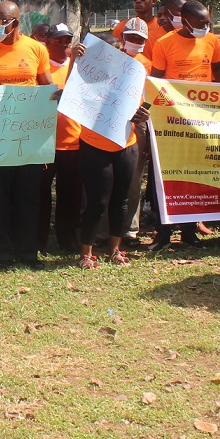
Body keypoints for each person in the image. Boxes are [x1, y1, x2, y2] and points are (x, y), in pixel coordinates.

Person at [0, 0, 55, 269]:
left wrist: (56, 94)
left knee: (29, 197)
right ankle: (2, 253)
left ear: (14, 24)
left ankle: (28, 253)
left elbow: (47, 86)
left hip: (28, 137)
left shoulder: (36, 49)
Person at [147, 0, 220, 250]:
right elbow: (156, 82)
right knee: (166, 175)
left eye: (207, 22)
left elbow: (219, 72)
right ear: (186, 20)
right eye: (201, 23)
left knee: (195, 174)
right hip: (171, 121)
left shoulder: (211, 40)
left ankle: (189, 231)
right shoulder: (164, 43)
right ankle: (163, 233)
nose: (206, 26)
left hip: (202, 120)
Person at [73, 18, 150, 268]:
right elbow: (73, 89)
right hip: (94, 145)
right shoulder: (86, 71)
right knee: (97, 201)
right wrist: (76, 58)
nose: (118, 55)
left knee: (122, 201)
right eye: (111, 52)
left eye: (120, 51)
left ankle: (116, 250)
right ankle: (87, 253)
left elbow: (140, 102)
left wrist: (142, 114)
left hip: (126, 144)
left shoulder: (134, 73)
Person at [37, 23, 82, 255]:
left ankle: (68, 237)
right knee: (40, 194)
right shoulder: (41, 68)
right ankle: (39, 238)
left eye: (68, 40)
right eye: (59, 40)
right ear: (47, 42)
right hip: (45, 142)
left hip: (73, 141)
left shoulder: (80, 66)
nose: (65, 44)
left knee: (71, 195)